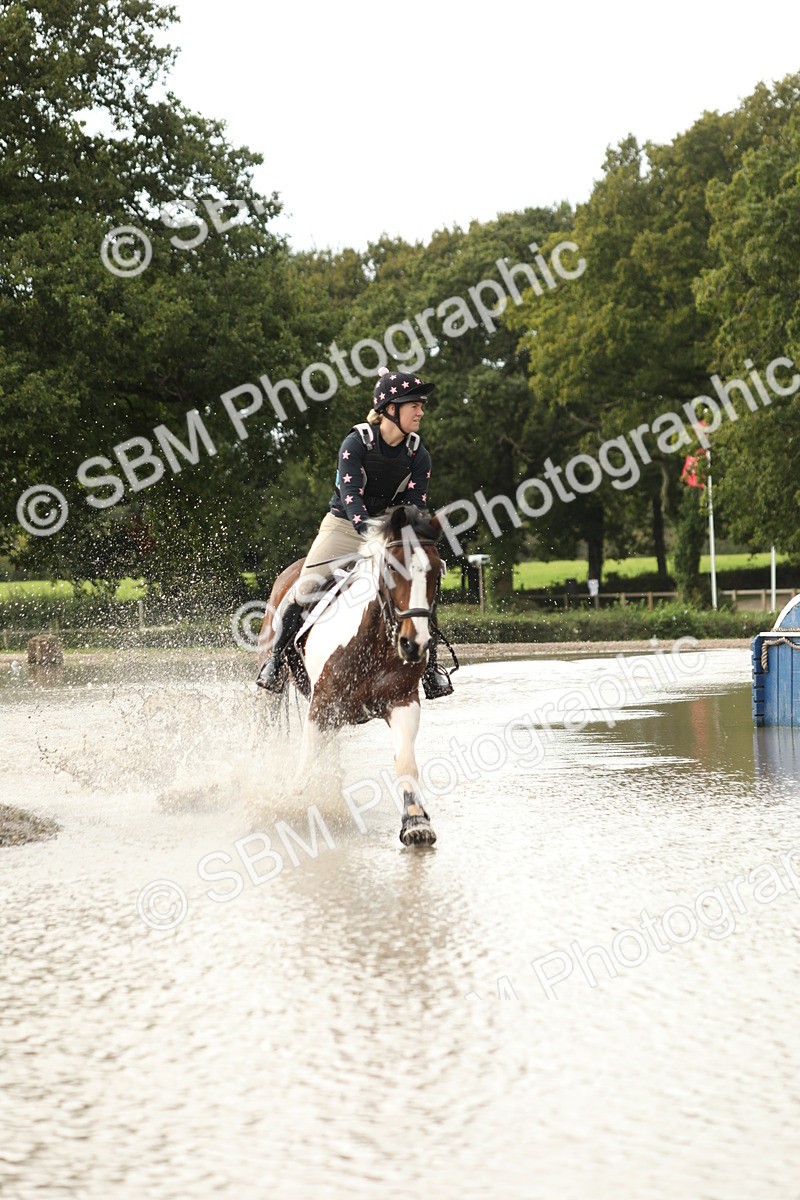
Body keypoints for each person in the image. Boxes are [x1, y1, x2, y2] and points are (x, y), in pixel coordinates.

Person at [256, 366, 453, 698]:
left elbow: (414, 509)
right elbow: (352, 500)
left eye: (421, 405)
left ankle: (430, 668)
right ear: (390, 409)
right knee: (303, 590)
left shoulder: (419, 454)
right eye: (414, 405)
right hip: (344, 527)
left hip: (390, 533)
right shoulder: (356, 443)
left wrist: (405, 542)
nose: (421, 411)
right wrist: (371, 537)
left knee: (419, 582)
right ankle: (275, 662)